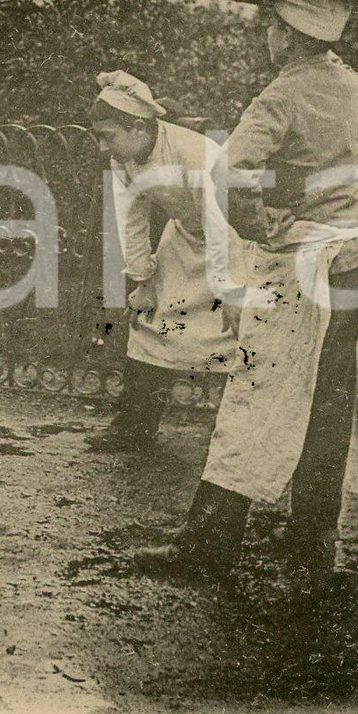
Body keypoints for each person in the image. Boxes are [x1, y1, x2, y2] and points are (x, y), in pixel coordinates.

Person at [131, 0, 358, 591]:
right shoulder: (350, 84)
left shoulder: (279, 95)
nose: (266, 39)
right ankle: (312, 547)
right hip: (355, 253)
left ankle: (208, 546)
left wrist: (256, 223)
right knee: (328, 402)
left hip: (304, 261)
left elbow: (230, 175)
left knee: (256, 396)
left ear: (288, 34)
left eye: (269, 28)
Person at [86, 71, 244, 453]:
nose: (102, 146)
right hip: (185, 236)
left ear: (137, 127)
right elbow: (133, 218)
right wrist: (142, 279)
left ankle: (233, 439)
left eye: (108, 135)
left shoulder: (194, 154)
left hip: (234, 241)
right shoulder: (123, 159)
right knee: (149, 323)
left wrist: (231, 289)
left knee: (238, 335)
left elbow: (221, 223)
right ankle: (134, 428)